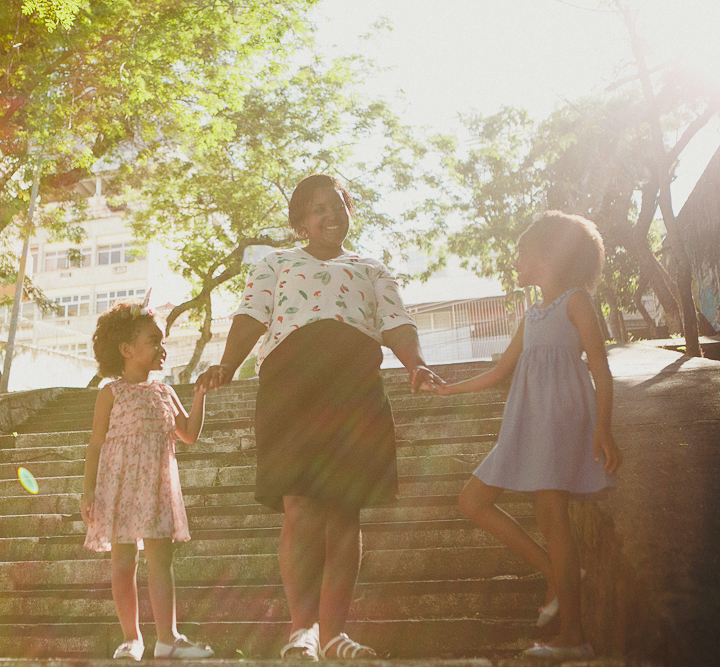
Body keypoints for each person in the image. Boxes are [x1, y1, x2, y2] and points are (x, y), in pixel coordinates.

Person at [197, 174, 441, 661]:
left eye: (338, 205)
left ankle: (334, 635)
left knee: (344, 510)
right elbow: (250, 317)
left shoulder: (371, 269)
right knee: (302, 507)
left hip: (355, 388)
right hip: (292, 389)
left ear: (350, 210)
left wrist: (416, 365)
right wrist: (227, 363)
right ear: (300, 224)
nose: (330, 215)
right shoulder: (276, 264)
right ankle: (301, 629)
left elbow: (395, 323)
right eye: (317, 210)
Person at [428, 211, 623, 661]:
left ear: (548, 255)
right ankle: (552, 570)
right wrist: (447, 388)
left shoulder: (576, 300)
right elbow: (499, 371)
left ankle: (574, 636)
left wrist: (604, 428)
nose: (515, 261)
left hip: (561, 419)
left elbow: (601, 367)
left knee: (553, 518)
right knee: (472, 500)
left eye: (522, 253)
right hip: (528, 422)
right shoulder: (533, 314)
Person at [81, 299, 214, 660]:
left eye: (163, 341)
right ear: (126, 350)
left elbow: (188, 434)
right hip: (119, 486)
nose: (162, 348)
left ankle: (168, 638)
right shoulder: (110, 394)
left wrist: (199, 395)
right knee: (123, 562)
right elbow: (95, 444)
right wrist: (88, 491)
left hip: (156, 487)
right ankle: (131, 638)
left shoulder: (164, 392)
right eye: (154, 340)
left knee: (160, 560)